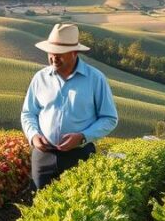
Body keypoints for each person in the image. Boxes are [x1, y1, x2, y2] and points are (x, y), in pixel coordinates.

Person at [21, 23, 119, 190]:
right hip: (43, 156)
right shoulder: (40, 78)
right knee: (38, 207)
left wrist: (82, 136)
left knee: (78, 208)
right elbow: (28, 113)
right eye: (51, 53)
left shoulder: (95, 79)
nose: (54, 58)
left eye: (59, 54)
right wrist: (33, 136)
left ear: (75, 52)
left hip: (79, 156)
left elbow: (109, 118)